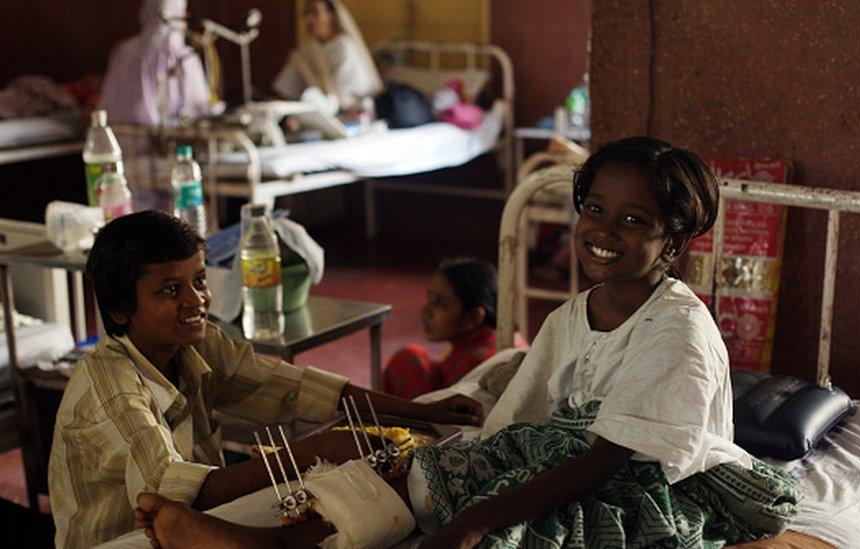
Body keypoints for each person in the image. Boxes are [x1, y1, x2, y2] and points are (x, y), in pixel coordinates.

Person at [133, 136, 799, 548]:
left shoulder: (678, 329)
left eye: (634, 220)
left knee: (505, 525)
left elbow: (598, 464)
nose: (603, 230)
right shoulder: (575, 313)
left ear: (673, 242)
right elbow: (527, 412)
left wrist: (471, 519)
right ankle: (280, 540)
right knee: (427, 471)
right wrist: (463, 465)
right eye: (594, 209)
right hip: (573, 453)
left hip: (647, 483)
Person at [47, 211, 482, 549]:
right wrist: (315, 450)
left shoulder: (195, 344)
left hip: (190, 521)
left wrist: (420, 410)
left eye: (199, 281)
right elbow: (170, 489)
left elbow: (289, 385)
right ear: (121, 310)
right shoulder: (110, 386)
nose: (196, 300)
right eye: (169, 290)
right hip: (122, 540)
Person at [382, 259, 501, 400]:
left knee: (408, 360)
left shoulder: (477, 362)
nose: (425, 311)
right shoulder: (493, 337)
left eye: (439, 303)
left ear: (474, 317)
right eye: (429, 299)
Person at [99, 0, 222, 126]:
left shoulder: (186, 56)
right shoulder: (127, 54)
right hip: (130, 140)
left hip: (178, 138)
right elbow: (109, 111)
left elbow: (199, 107)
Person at [272, 0, 382, 111]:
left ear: (332, 16)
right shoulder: (305, 52)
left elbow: (341, 97)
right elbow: (285, 91)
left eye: (315, 13)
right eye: (306, 13)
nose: (309, 19)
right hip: (320, 117)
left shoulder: (344, 47)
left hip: (353, 116)